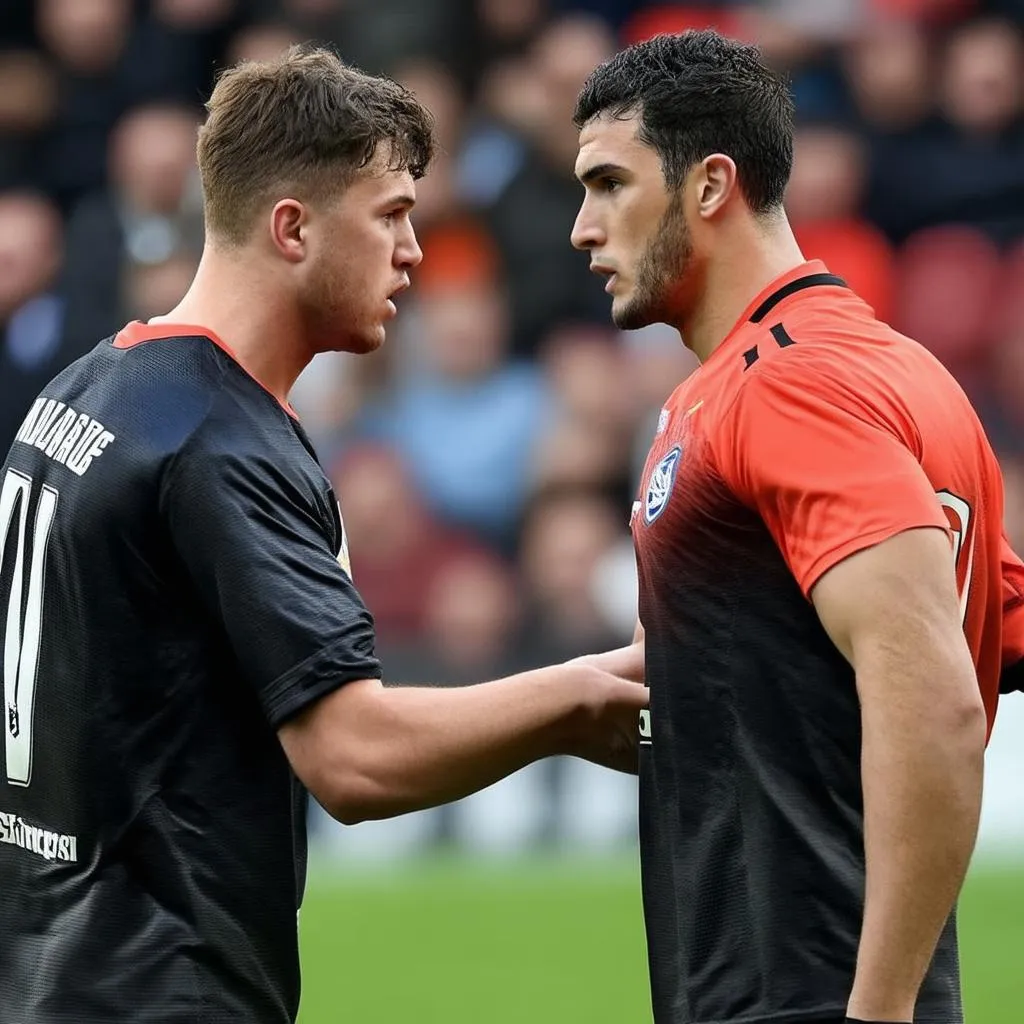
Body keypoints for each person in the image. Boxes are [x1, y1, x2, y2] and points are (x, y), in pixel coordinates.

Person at [0, 47, 648, 1023]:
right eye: (390, 214)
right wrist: (576, 697)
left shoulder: (87, 386)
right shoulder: (219, 440)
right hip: (158, 986)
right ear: (293, 227)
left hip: (42, 969)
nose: (414, 252)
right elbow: (353, 758)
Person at [569, 29, 1024, 1024]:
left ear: (709, 184)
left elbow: (935, 698)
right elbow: (991, 618)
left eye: (608, 183)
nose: (581, 227)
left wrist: (879, 1006)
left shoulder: (786, 389)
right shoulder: (895, 371)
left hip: (801, 989)